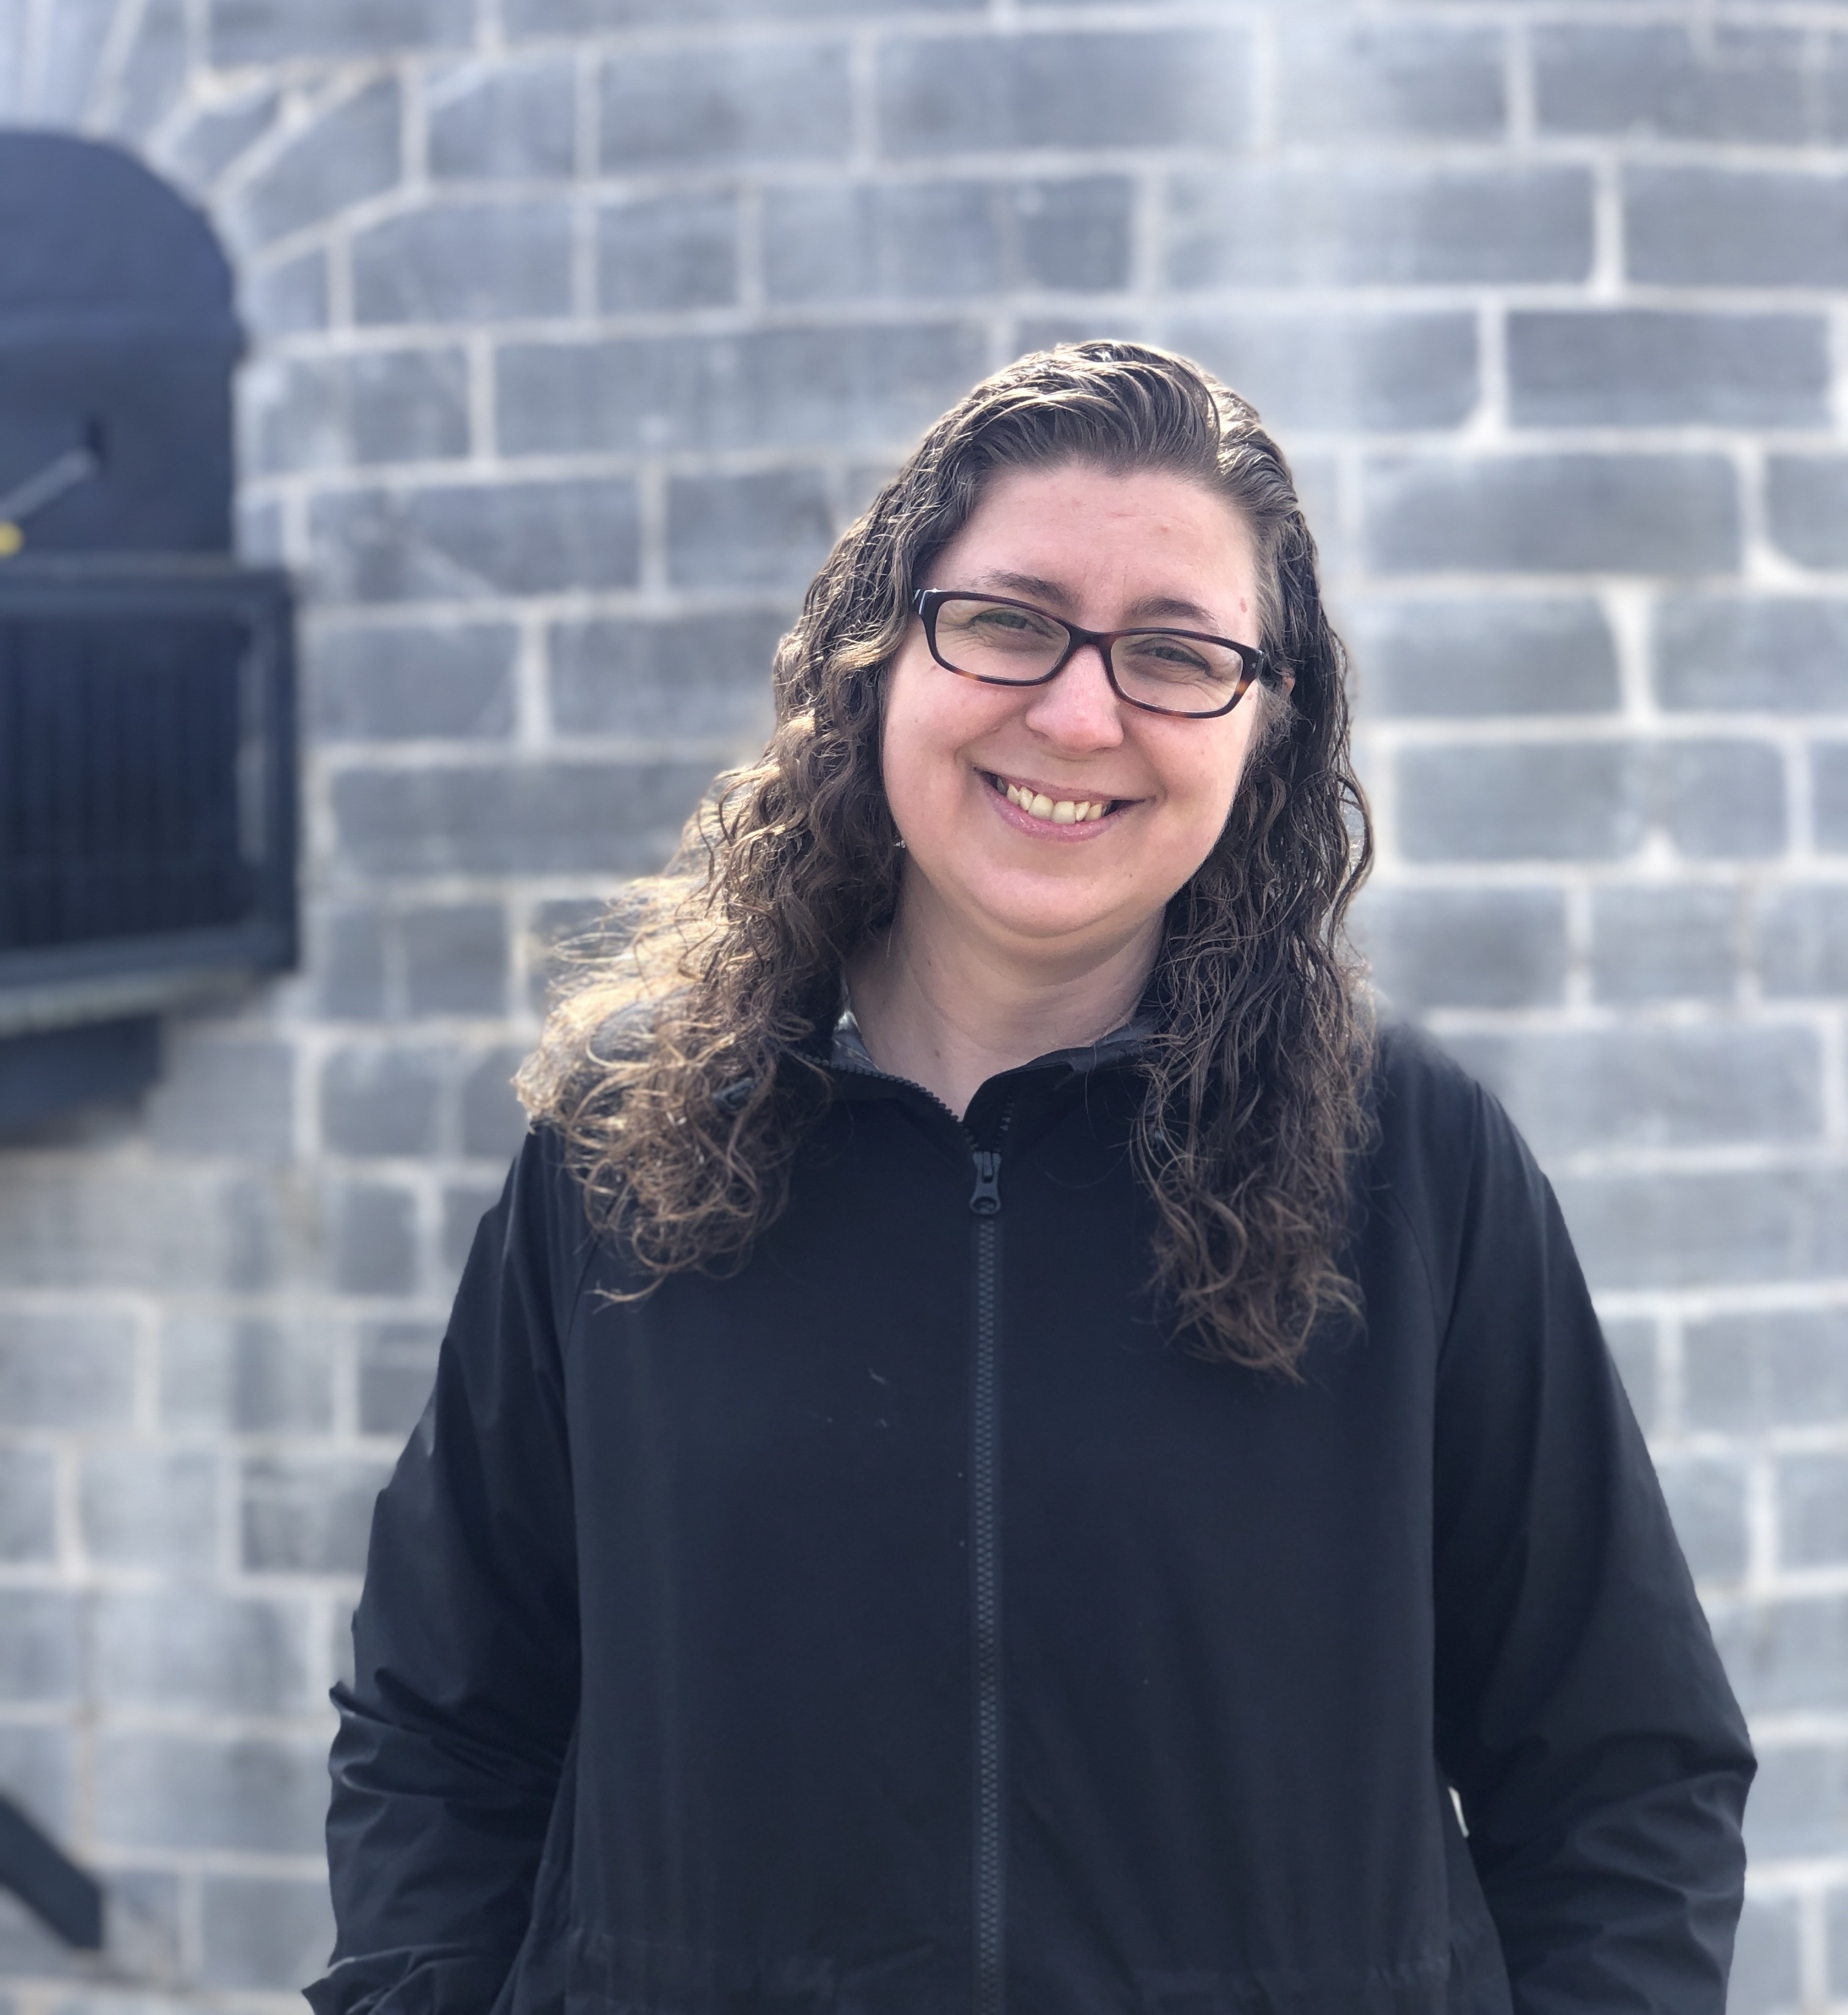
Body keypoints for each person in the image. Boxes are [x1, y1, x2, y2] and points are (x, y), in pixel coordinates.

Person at [309, 343, 1753, 2015]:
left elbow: (1624, 1777)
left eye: (1175, 653)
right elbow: (442, 1725)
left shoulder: (1416, 1166)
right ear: (880, 652)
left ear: (1269, 724)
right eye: (1008, 620)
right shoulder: (622, 1149)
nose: (1080, 712)